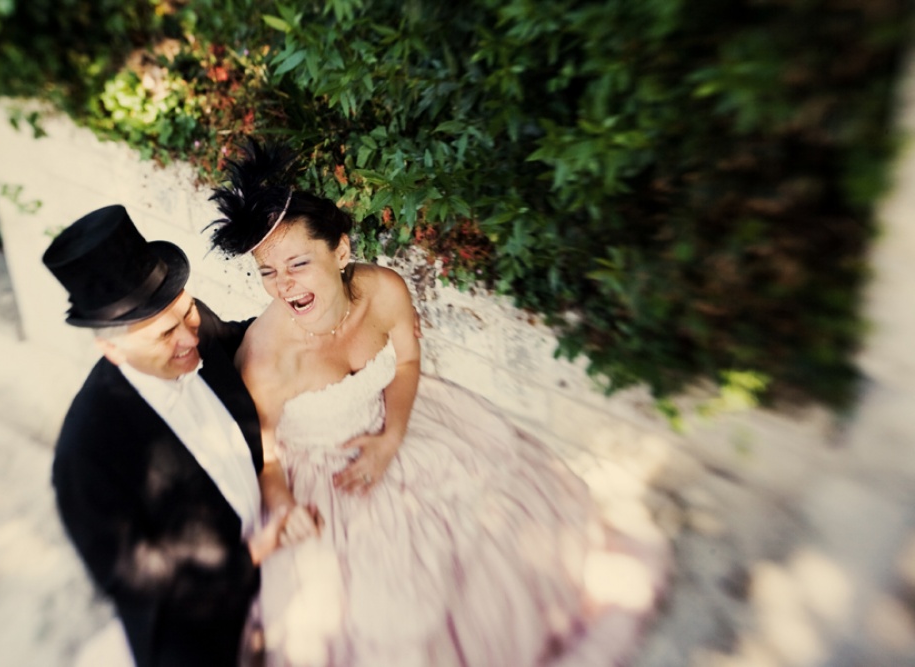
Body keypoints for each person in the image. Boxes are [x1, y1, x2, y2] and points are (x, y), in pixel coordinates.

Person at [208, 140, 671, 666]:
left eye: (297, 263)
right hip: (325, 479)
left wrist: (392, 438)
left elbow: (406, 363)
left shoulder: (383, 290)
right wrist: (286, 508)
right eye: (267, 272)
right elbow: (266, 456)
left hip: (398, 422)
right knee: (385, 608)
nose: (282, 285)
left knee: (491, 535)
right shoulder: (268, 359)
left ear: (341, 251)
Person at [42, 205, 321, 667]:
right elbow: (133, 575)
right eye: (165, 334)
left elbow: (246, 340)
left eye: (188, 313)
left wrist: (334, 313)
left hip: (279, 575)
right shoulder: (85, 451)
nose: (191, 339)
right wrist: (252, 554)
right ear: (111, 348)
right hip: (199, 633)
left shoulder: (190, 324)